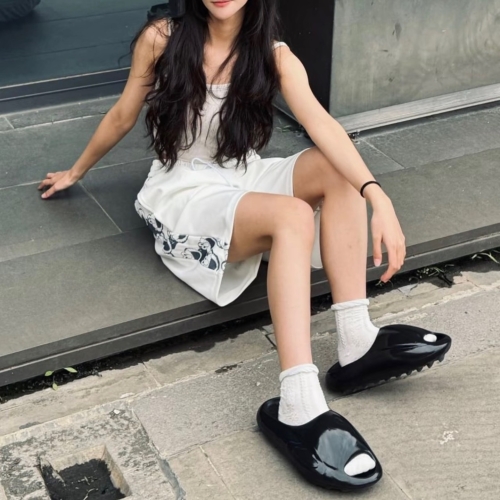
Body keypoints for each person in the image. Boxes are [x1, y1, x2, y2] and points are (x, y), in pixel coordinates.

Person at [37, 0, 451, 491]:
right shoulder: (162, 38)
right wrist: (76, 171)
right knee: (293, 215)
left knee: (337, 170)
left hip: (243, 175)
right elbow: (125, 112)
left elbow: (322, 124)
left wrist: (376, 195)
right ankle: (298, 402)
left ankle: (357, 339)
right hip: (184, 192)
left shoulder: (273, 55)